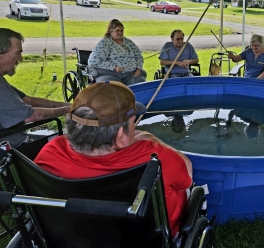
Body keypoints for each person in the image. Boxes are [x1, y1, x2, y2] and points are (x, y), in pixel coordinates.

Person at [34, 81, 193, 238]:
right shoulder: (157, 158)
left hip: (76, 239)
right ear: (119, 136)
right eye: (132, 124)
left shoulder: (50, 152)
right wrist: (153, 140)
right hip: (146, 239)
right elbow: (187, 173)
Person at [0, 28, 71, 147]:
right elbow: (32, 116)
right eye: (17, 53)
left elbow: (29, 100)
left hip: (13, 138)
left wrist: (69, 105)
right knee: (66, 146)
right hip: (11, 147)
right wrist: (69, 110)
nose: (20, 59)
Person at [88, 19, 147, 85]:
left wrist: (138, 68)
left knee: (139, 86)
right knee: (113, 89)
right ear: (111, 31)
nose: (120, 33)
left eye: (122, 30)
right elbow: (93, 61)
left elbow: (139, 56)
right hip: (110, 74)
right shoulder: (104, 43)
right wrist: (114, 67)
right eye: (117, 31)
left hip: (130, 74)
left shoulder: (129, 42)